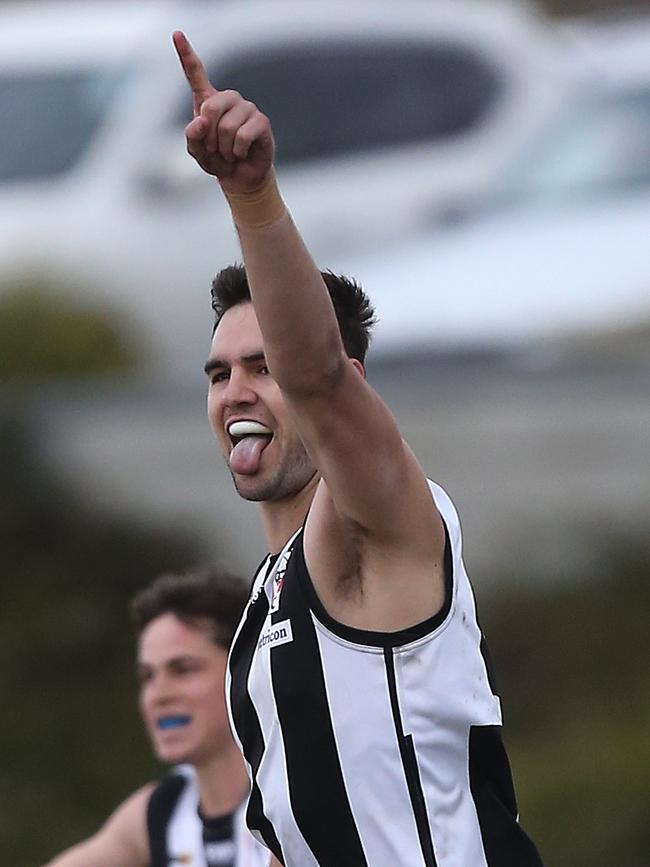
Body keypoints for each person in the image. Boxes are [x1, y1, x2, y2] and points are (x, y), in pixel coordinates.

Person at [173, 30, 544, 867]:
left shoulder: (373, 526)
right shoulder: (266, 606)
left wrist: (254, 197)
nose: (235, 390)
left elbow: (321, 384)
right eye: (218, 371)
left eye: (262, 368)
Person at [44, 569, 270, 867]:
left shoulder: (298, 793)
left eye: (183, 669)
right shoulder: (162, 810)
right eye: (147, 676)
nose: (158, 695)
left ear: (244, 669)